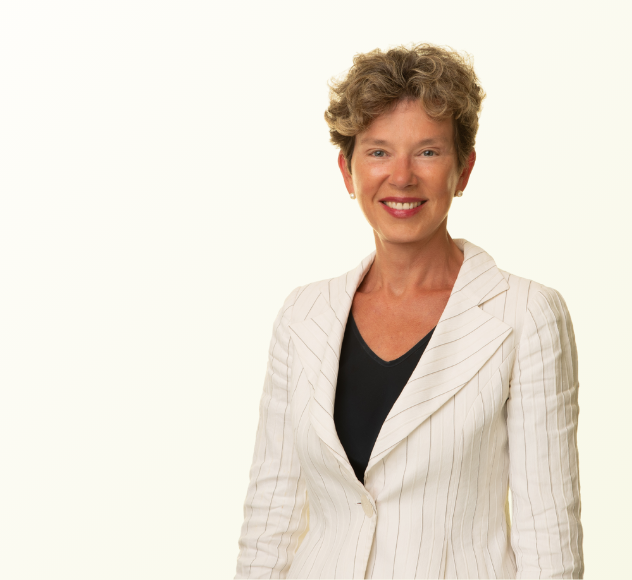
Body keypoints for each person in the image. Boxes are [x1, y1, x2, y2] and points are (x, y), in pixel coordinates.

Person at [235, 44, 583, 579]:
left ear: (463, 170)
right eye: (377, 152)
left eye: (427, 152)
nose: (401, 176)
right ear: (347, 172)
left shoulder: (525, 315)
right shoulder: (302, 316)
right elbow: (271, 519)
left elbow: (548, 539)